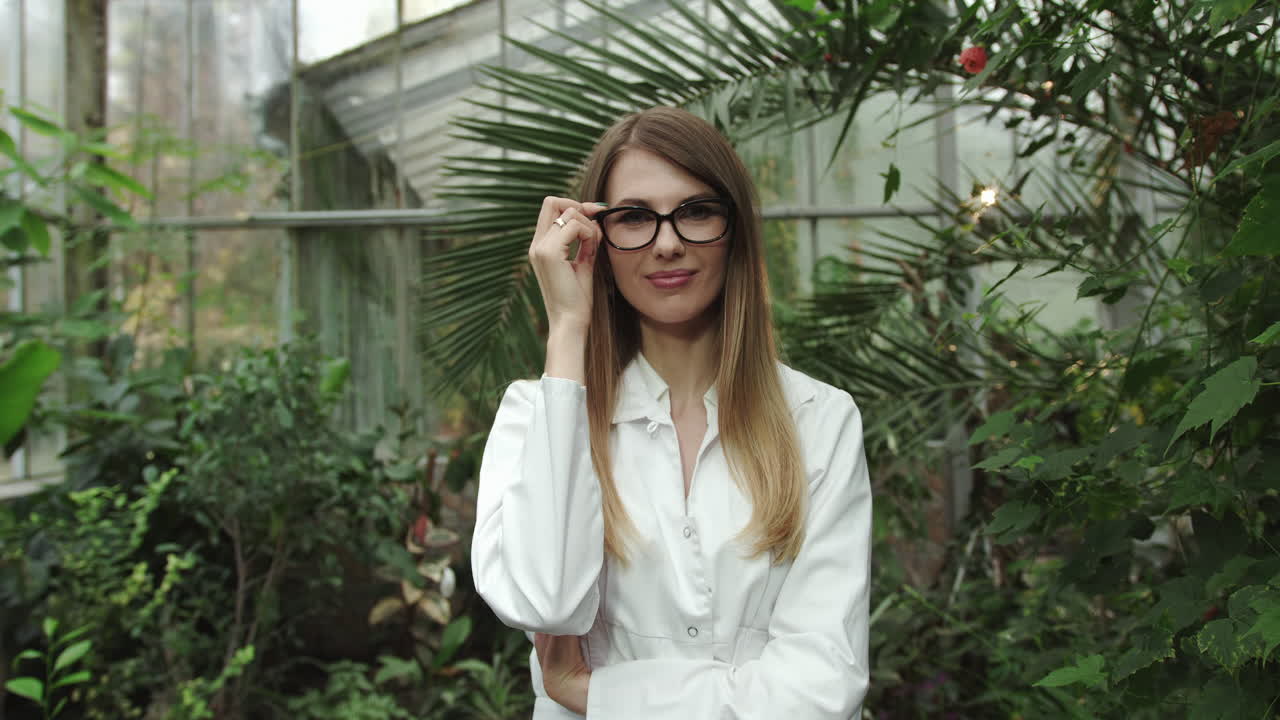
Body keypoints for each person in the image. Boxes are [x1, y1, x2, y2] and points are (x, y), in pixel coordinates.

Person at [470, 106, 872, 719]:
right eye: (633, 217)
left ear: (734, 228)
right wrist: (568, 328)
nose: (667, 243)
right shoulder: (536, 416)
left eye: (696, 211)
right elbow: (545, 601)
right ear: (595, 238)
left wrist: (598, 695)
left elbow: (822, 686)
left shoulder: (820, 419)